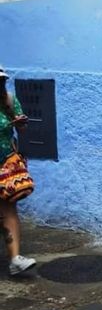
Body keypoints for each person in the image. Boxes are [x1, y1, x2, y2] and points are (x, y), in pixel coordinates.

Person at [0, 67, 36, 275]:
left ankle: (15, 259)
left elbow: (21, 129)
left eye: (2, 81)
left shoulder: (9, 100)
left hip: (5, 164)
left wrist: (20, 122)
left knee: (8, 209)